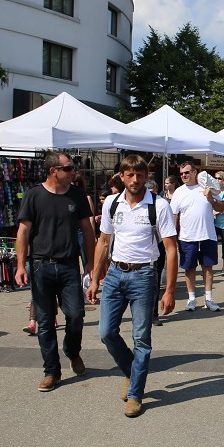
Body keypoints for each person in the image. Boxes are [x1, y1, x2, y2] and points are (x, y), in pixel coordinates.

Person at [87, 154, 178, 418]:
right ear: (122, 176)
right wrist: (95, 279)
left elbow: (171, 250)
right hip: (115, 274)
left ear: (146, 176)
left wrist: (169, 290)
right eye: (130, 174)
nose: (136, 179)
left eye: (140, 174)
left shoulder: (158, 206)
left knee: (142, 339)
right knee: (106, 332)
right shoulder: (112, 204)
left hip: (144, 276)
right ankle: (131, 371)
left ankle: (136, 393)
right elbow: (104, 242)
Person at [15, 152, 95, 392]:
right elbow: (23, 232)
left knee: (76, 315)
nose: (73, 172)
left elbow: (88, 231)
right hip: (41, 265)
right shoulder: (33, 195)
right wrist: (20, 266)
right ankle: (52, 371)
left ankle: (72, 351)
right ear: (53, 171)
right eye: (69, 168)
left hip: (69, 265)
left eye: (73, 168)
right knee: (45, 322)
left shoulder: (77, 195)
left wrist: (89, 262)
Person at [171, 160, 224, 311]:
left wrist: (211, 199)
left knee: (208, 267)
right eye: (181, 173)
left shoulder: (207, 187)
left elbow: (221, 208)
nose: (184, 176)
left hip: (207, 235)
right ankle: (192, 299)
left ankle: (208, 299)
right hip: (187, 237)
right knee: (189, 268)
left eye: (187, 172)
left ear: (195, 172)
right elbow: (174, 216)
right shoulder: (179, 192)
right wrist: (173, 238)